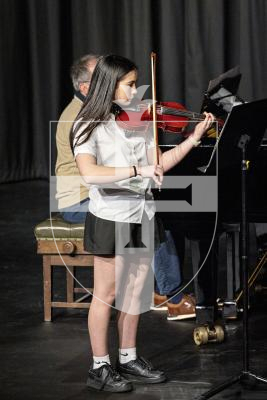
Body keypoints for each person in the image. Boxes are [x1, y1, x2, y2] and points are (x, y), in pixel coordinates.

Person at [70, 54, 215, 393]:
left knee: (135, 291)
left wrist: (193, 138)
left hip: (141, 212)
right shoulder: (86, 124)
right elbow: (90, 173)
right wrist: (137, 171)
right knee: (106, 294)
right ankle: (100, 366)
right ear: (110, 85)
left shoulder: (137, 120)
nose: (137, 91)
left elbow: (159, 164)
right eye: (131, 84)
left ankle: (128, 356)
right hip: (111, 215)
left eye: (136, 83)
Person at [56, 54, 196, 321]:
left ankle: (159, 293)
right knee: (151, 218)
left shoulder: (116, 113)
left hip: (115, 190)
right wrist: (138, 169)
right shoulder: (79, 118)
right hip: (79, 197)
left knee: (150, 214)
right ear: (86, 87)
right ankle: (172, 296)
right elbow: (92, 174)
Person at [55, 54, 99, 223]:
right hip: (79, 202)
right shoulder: (80, 117)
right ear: (85, 89)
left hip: (92, 195)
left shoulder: (94, 111)